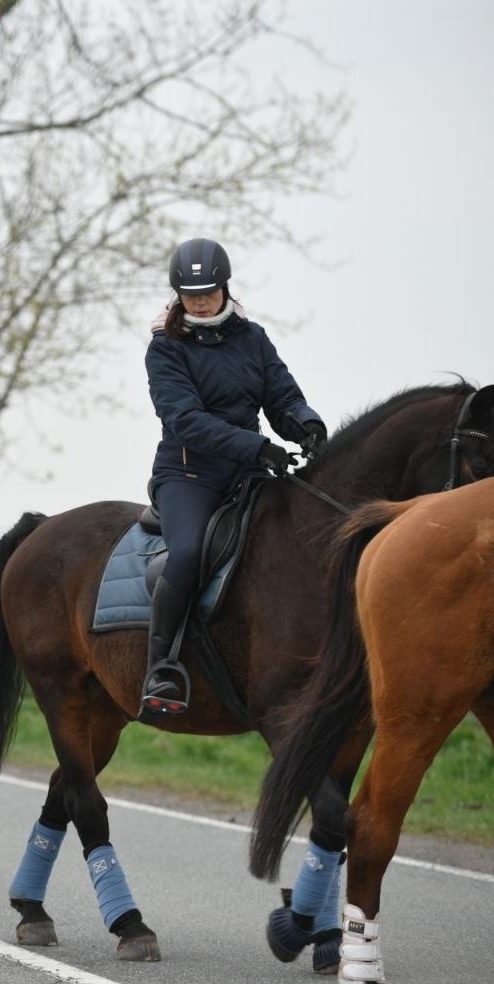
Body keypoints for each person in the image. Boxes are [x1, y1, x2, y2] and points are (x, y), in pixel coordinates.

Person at [141, 238, 326, 720]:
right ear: (178, 293)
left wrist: (306, 423)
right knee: (186, 553)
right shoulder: (165, 348)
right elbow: (187, 421)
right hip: (189, 474)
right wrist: (257, 446)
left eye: (207, 291)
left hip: (248, 471)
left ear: (225, 286)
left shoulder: (253, 337)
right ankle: (160, 666)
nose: (199, 301)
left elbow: (281, 395)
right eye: (190, 293)